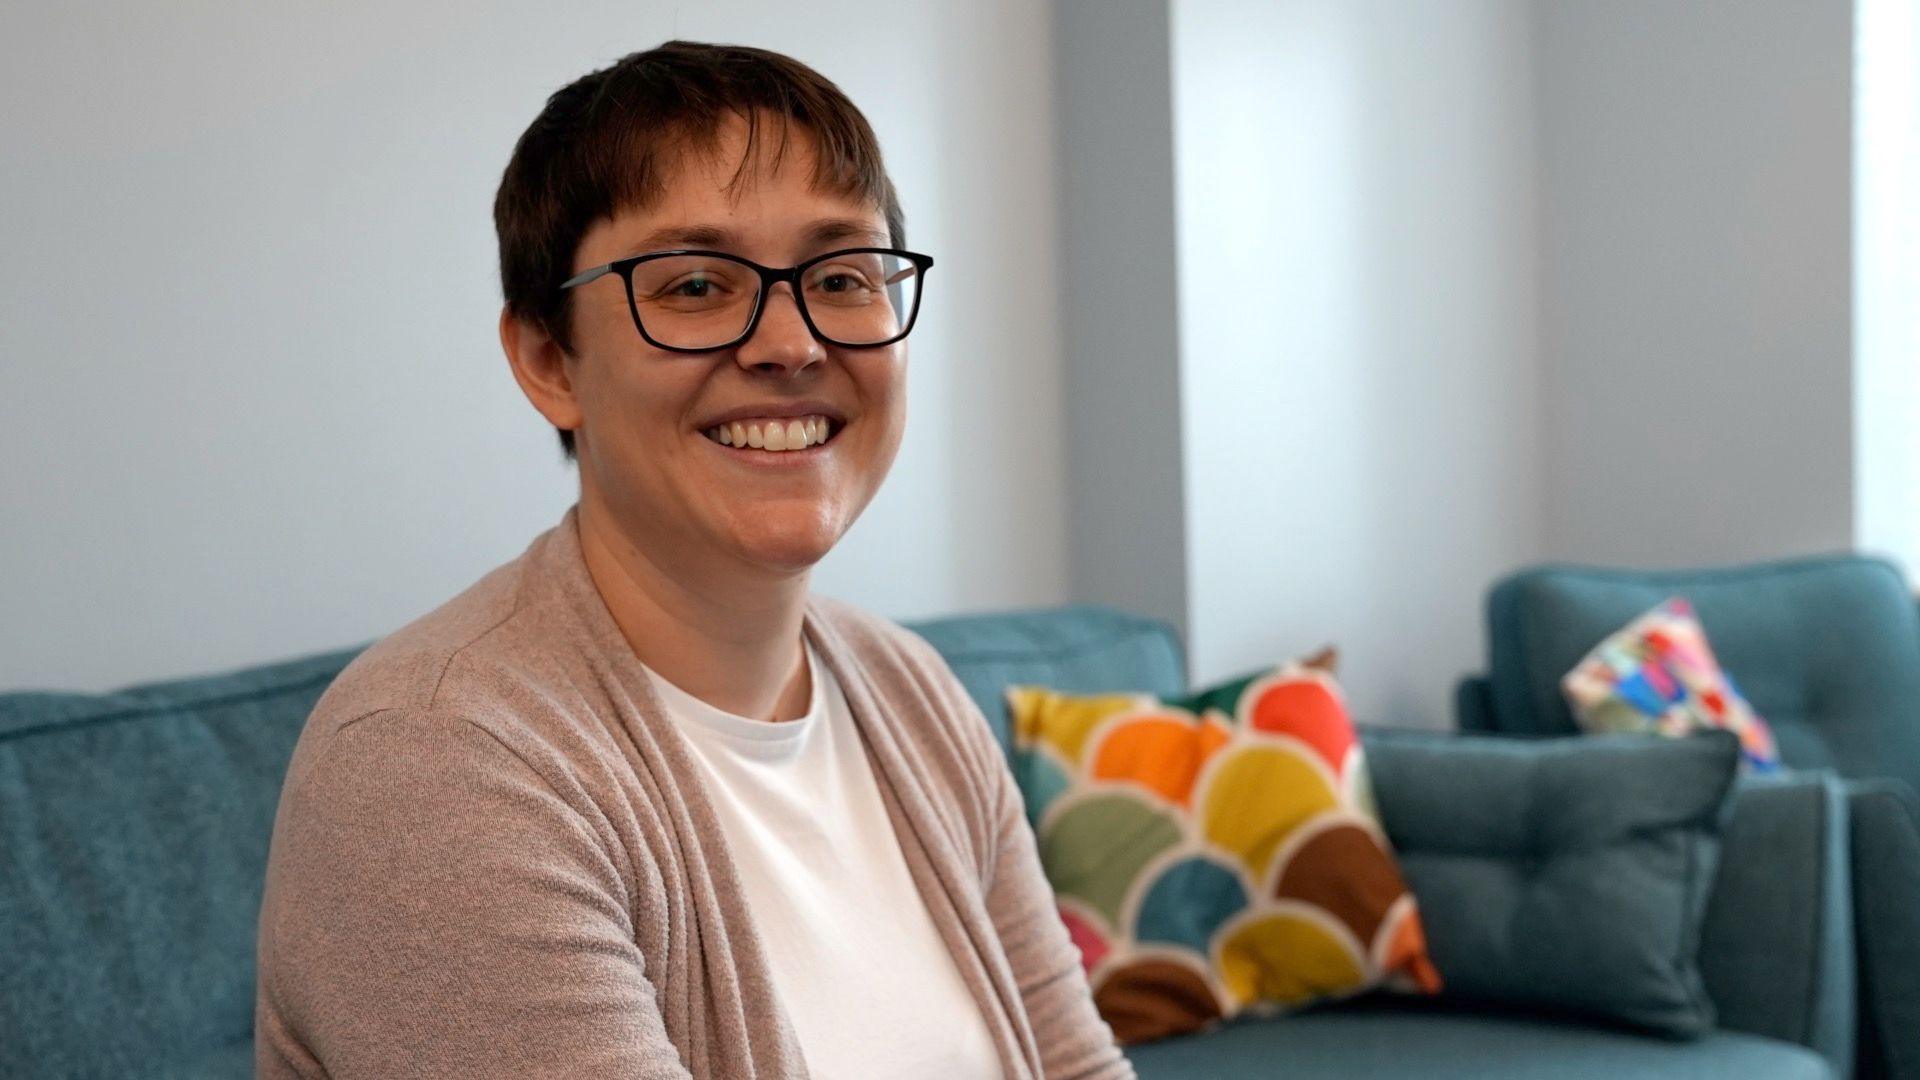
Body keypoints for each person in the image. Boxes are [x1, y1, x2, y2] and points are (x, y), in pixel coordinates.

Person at [253, 40, 1134, 1080]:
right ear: (549, 361)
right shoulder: (434, 761)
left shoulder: (913, 694)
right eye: (699, 284)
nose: (790, 342)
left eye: (842, 273)